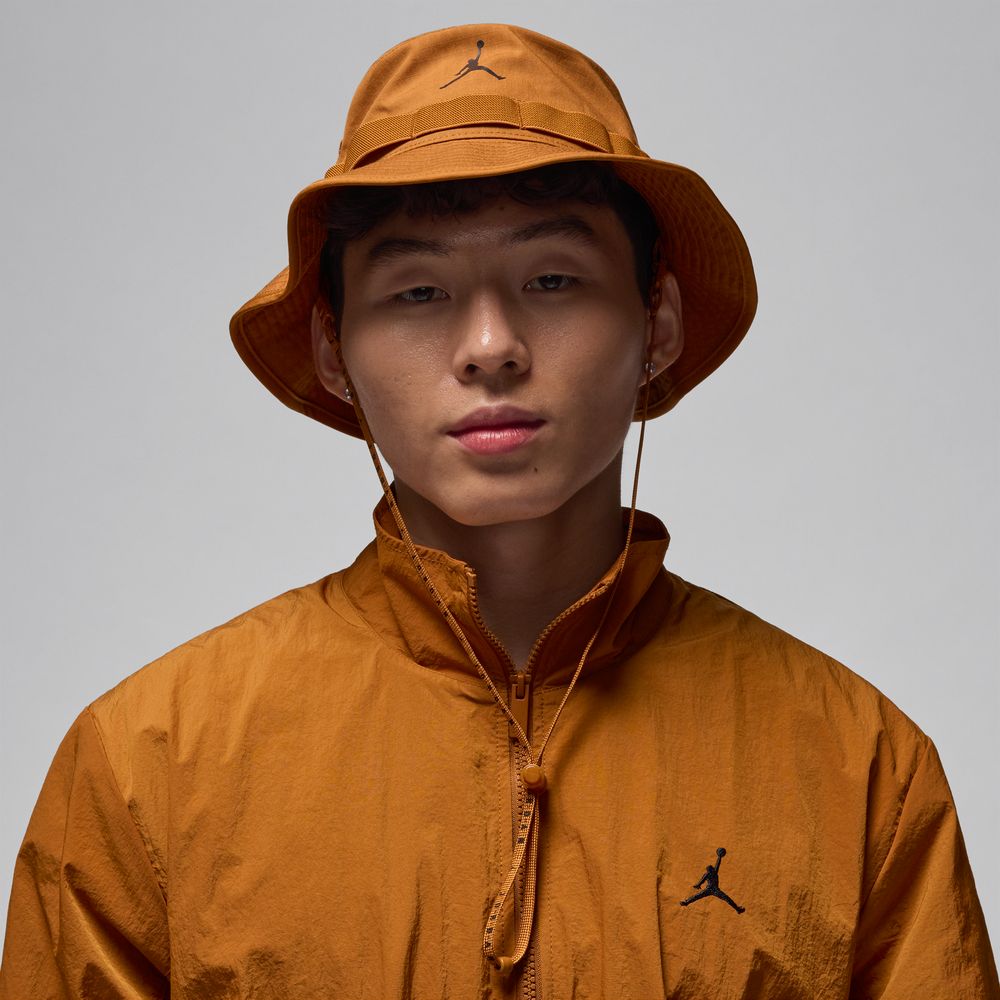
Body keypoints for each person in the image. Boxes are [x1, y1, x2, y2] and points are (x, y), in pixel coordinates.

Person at [1, 22, 997, 999]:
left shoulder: (856, 765)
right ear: (332, 348)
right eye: (418, 291)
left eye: (552, 279)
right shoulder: (147, 767)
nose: (489, 345)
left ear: (655, 325)